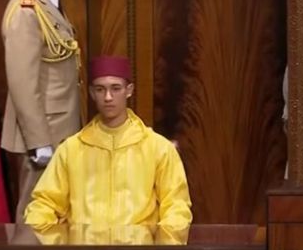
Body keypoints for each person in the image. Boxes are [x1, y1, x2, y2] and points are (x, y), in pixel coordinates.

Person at [24, 55, 192, 227]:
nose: (108, 97)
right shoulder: (71, 149)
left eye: (116, 88)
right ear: (91, 93)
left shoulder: (158, 148)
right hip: (84, 249)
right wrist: (49, 243)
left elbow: (176, 207)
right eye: (100, 89)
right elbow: (44, 204)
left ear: (129, 90)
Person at [1, 0, 83, 222]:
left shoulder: (45, 3)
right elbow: (23, 83)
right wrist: (39, 142)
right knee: (35, 216)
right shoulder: (25, 10)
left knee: (56, 215)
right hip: (43, 134)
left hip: (59, 129)